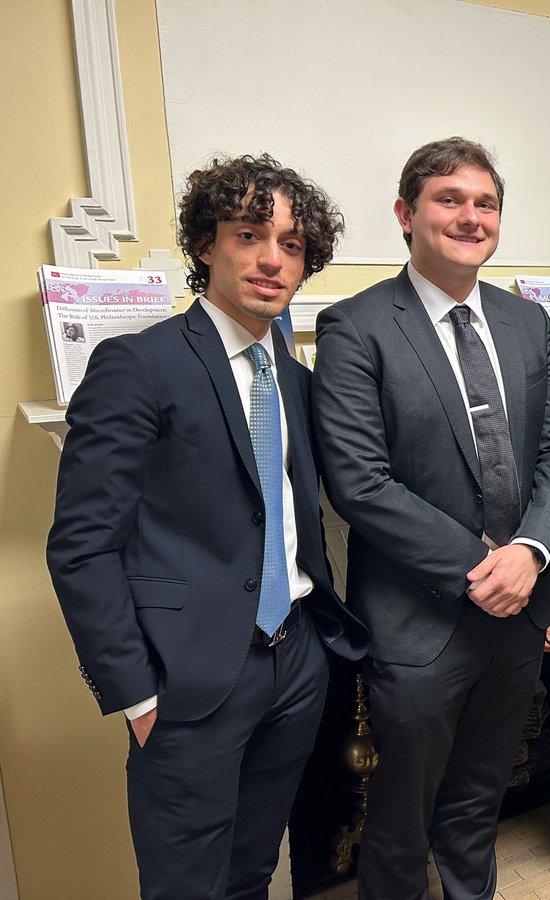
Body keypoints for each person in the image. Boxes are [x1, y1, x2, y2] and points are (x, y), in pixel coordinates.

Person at [46, 153, 368, 899]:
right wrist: (137, 694)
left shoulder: (291, 375)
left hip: (295, 664)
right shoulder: (138, 366)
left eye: (291, 245)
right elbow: (82, 545)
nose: (270, 259)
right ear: (205, 243)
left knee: (254, 872)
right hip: (186, 682)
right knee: (186, 885)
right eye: (250, 233)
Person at [310, 136, 550, 900]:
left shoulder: (529, 325)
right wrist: (478, 569)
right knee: (400, 817)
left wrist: (528, 553)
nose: (471, 216)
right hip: (418, 621)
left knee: (478, 798)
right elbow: (359, 484)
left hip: (520, 610)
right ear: (406, 213)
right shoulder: (355, 328)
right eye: (449, 199)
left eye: (485, 203)